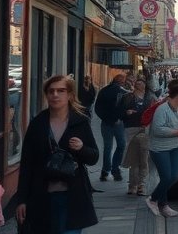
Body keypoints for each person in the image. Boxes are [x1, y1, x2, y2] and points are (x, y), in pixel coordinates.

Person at [13, 75, 99, 233]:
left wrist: (82, 148)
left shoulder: (79, 121)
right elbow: (27, 164)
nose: (55, 95)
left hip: (73, 196)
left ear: (70, 94)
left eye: (61, 90)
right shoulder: (38, 124)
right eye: (51, 91)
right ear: (46, 95)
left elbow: (94, 157)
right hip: (42, 197)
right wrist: (22, 200)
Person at [146, 79, 178, 218]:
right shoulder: (162, 109)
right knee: (166, 177)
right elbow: (157, 130)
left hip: (174, 146)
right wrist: (177, 132)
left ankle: (163, 204)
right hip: (160, 149)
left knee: (174, 176)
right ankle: (154, 200)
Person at [121, 77, 156, 196]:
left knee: (144, 158)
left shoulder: (150, 98)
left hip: (145, 128)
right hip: (131, 128)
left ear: (145, 85)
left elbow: (154, 111)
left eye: (142, 83)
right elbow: (120, 112)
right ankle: (132, 185)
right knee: (134, 158)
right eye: (138, 83)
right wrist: (126, 113)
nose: (140, 85)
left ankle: (141, 185)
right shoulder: (128, 97)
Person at [94, 73, 127, 182]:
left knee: (108, 147)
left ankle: (105, 171)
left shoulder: (104, 91)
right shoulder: (122, 92)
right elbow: (124, 108)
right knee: (121, 145)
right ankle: (115, 169)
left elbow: (98, 108)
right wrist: (119, 118)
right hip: (117, 123)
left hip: (106, 123)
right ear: (121, 82)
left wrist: (106, 118)